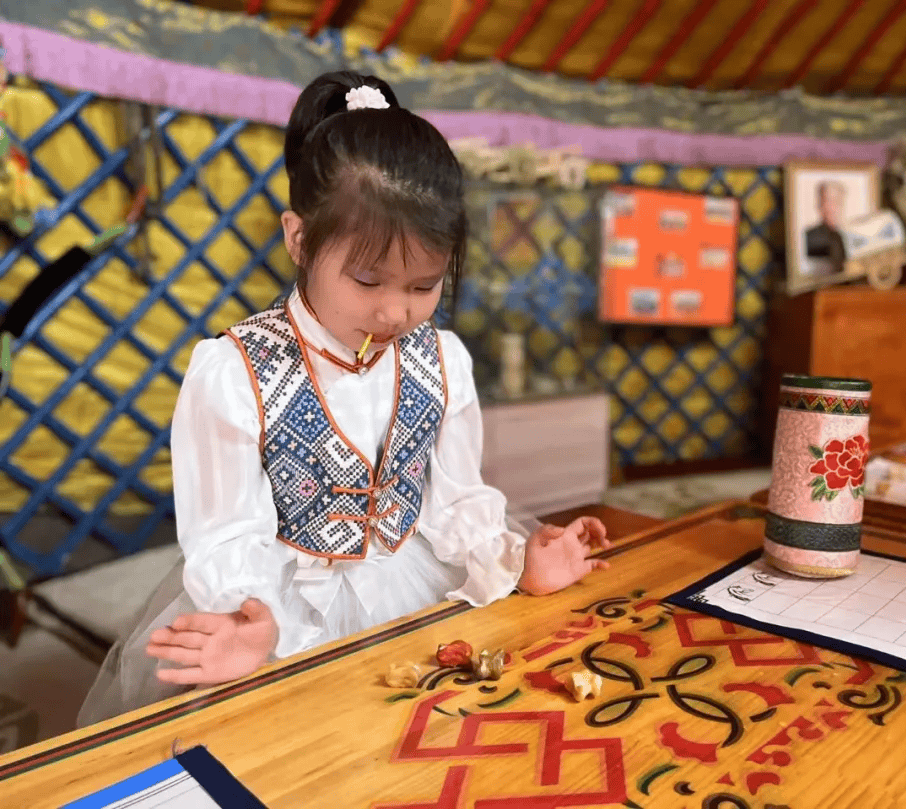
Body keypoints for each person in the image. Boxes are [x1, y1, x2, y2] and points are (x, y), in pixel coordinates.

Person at [78, 72, 611, 726]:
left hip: (415, 591)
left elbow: (456, 498)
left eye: (423, 285)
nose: (395, 310)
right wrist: (258, 621)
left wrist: (513, 559)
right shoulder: (234, 370)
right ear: (299, 239)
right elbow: (226, 532)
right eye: (367, 279)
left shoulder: (441, 359)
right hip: (285, 613)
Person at [804, 181, 846, 263]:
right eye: (826, 201)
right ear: (819, 205)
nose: (830, 207)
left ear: (842, 204)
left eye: (835, 201)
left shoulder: (850, 234)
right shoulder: (809, 236)